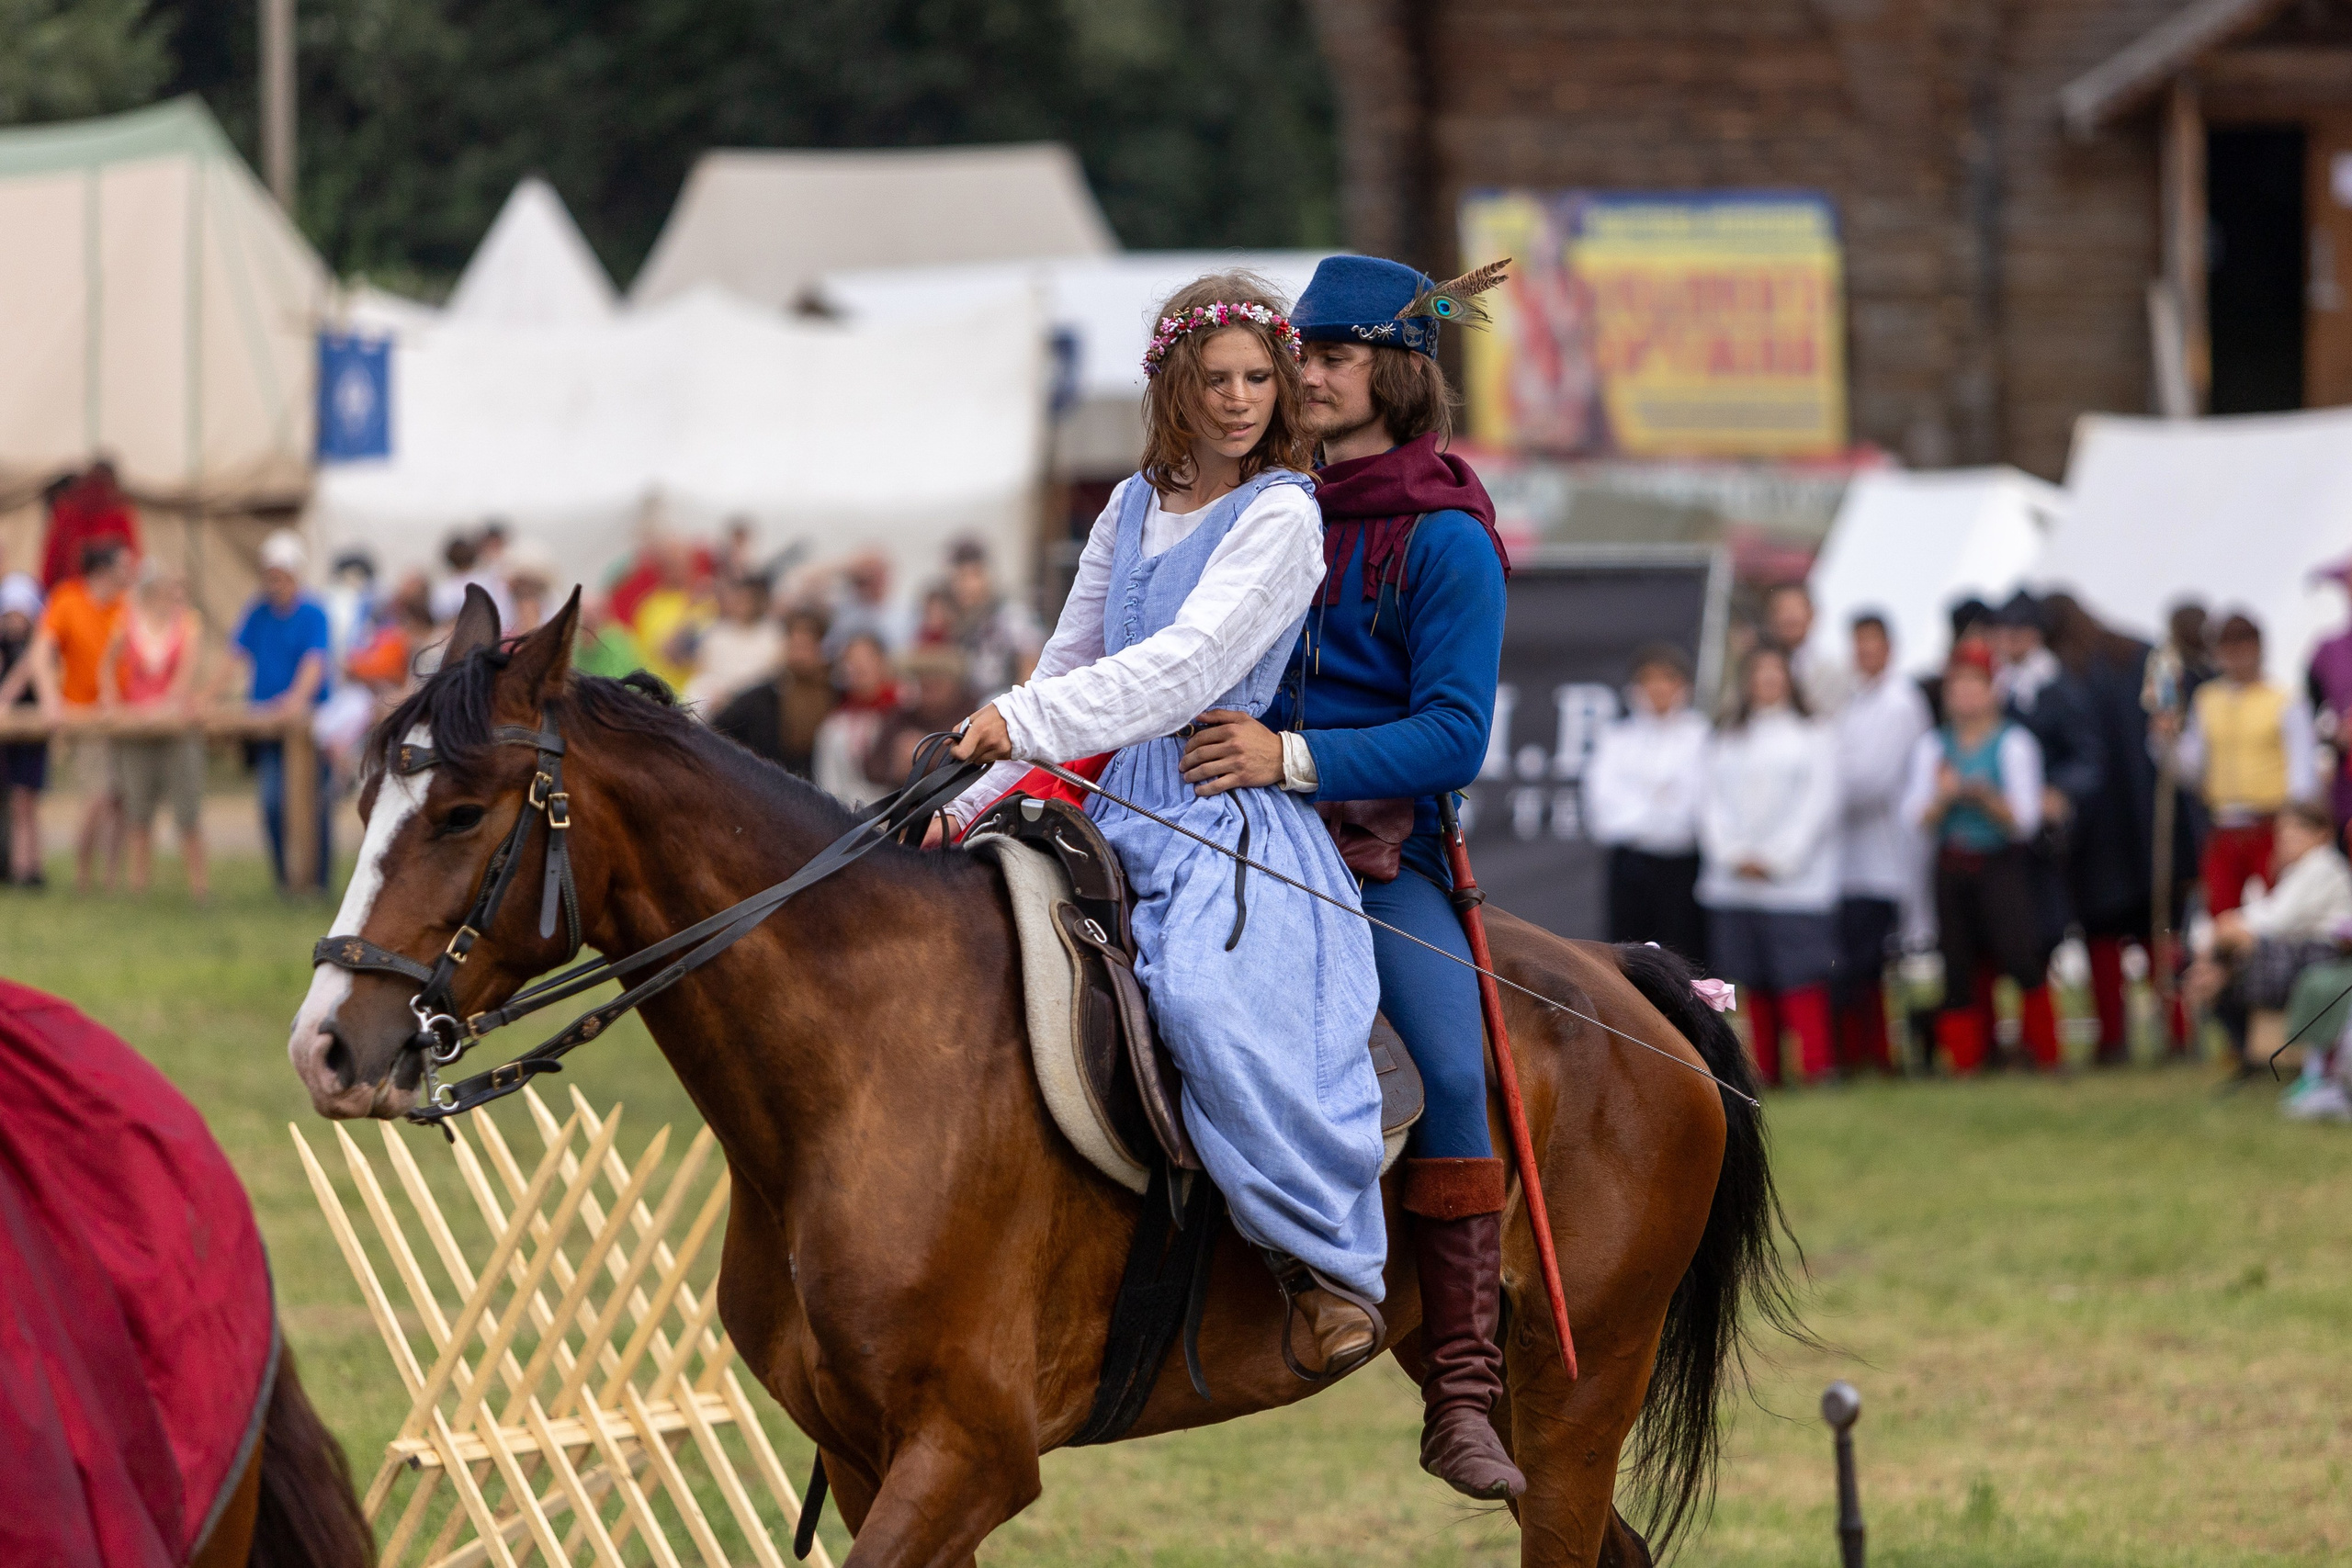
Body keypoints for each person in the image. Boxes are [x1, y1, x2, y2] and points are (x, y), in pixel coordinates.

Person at [944, 272, 1388, 1404]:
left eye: (1257, 378)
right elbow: (1071, 657)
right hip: (1103, 806)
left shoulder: (1283, 514)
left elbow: (1183, 670)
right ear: (1174, 385)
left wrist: (1025, 719)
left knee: (1197, 999)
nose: (1237, 400)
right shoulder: (1132, 503)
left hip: (1215, 807)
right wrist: (968, 801)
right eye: (1215, 379)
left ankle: (1317, 1262)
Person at [1137, 254, 1521, 1501]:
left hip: (1374, 856)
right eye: (1298, 353)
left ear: (1397, 374)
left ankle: (1461, 1385)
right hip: (1208, 822)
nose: (1302, 375)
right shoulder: (1264, 502)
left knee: (1450, 1069)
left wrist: (1288, 755)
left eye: (1333, 356)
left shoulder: (1448, 538)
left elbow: (1455, 734)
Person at [1904, 641, 2049, 1073]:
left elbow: (2025, 820)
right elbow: (1913, 815)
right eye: (1958, 687)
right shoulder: (1933, 746)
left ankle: (2042, 1051)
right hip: (1952, 863)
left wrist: (1988, 800)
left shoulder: (2014, 743)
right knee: (1958, 961)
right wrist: (1944, 798)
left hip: (2000, 863)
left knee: (2020, 956)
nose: (1965, 696)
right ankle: (1966, 1058)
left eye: (1975, 686)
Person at [1702, 644, 1841, 1087]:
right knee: (1752, 979)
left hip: (1796, 884)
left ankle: (1816, 1069)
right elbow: (1709, 803)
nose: (1767, 680)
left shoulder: (1814, 734)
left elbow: (1819, 804)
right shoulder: (1727, 736)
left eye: (1775, 671)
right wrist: (1732, 855)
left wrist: (1779, 859)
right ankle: (1766, 1073)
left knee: (1801, 975)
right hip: (1734, 883)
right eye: (1759, 671)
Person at [2045, 592, 2163, 1064]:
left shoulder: (2066, 676)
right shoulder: (2138, 651)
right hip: (2145, 817)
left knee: (2103, 935)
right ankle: (2175, 1031)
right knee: (2156, 930)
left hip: (2099, 830)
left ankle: (2114, 1037)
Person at [1993, 592, 2107, 1021]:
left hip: (2054, 833)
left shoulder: (2060, 687)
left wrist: (2059, 791)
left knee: (2048, 928)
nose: (2009, 641)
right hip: (2007, 827)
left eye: (2017, 632)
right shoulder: (1999, 688)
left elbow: (2089, 757)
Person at [2158, 612, 2316, 917]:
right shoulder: (2207, 700)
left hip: (2271, 825)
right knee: (2221, 914)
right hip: (2223, 828)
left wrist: (2293, 830)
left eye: (2243, 646)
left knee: (2278, 914)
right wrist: (2166, 741)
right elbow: (2192, 770)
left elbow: (2302, 773)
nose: (2236, 656)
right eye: (2228, 648)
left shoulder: (2284, 699)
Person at [1830, 611, 1929, 1073]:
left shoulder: (1899, 703)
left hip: (1886, 857)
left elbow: (1871, 780)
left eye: (1873, 642)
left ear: (1890, 648)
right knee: (1855, 965)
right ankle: (1861, 1053)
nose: (1865, 652)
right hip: (1850, 860)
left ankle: (1885, 1054)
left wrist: (1817, 786)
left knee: (1878, 964)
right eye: (1858, 643)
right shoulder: (1854, 703)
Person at [2186, 798, 2352, 1075]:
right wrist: (2226, 928)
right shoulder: (2300, 869)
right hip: (2297, 950)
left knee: (2234, 956)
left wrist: (2228, 927)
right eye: (2283, 831)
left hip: (2322, 953)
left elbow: (2280, 919)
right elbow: (2270, 912)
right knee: (2227, 955)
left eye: (2296, 830)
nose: (2287, 838)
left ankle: (2216, 986)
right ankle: (2217, 985)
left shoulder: (2322, 865)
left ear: (2321, 833)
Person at [1587, 641, 1711, 962]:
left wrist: (1648, 807)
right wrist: (1658, 804)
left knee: (1683, 958)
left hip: (1685, 867)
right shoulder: (1616, 738)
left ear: (1683, 685)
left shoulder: (1702, 736)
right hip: (1631, 865)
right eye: (1649, 680)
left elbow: (1698, 807)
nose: (1658, 688)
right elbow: (1602, 809)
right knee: (1628, 959)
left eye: (1667, 679)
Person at [28, 541, 134, 892]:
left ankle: (111, 877)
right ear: (103, 570)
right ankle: (83, 874)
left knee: (121, 800)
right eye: (124, 566)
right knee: (97, 797)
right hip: (83, 714)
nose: (130, 573)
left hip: (123, 715)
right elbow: (41, 652)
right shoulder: (68, 599)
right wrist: (50, 700)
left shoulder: (126, 604)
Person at [100, 563, 209, 901]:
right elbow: (107, 664)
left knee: (187, 812)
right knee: (138, 811)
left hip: (175, 728)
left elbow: (186, 673)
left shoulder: (188, 623)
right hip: (136, 729)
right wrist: (112, 703)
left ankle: (199, 889)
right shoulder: (127, 621)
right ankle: (139, 888)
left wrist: (163, 707)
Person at [232, 530, 333, 892]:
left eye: (279, 577)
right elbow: (235, 655)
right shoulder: (258, 612)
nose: (273, 584)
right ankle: (285, 880)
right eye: (269, 577)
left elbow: (315, 661)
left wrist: (295, 699)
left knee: (314, 804)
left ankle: (317, 882)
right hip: (269, 726)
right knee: (273, 803)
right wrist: (202, 696)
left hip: (309, 725)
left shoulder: (313, 613)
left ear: (294, 575)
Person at [712, 608, 837, 778]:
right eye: (794, 646)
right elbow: (718, 728)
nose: (799, 656)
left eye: (806, 647)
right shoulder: (762, 699)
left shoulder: (836, 698)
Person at [942, 537, 1044, 697]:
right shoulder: (965, 620)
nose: (966, 586)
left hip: (1005, 700)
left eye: (973, 576)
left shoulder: (1011, 614)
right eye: (959, 578)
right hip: (977, 701)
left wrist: (1017, 706)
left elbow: (1030, 667)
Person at [0, 574, 51, 886]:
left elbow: (26, 675)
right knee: (15, 802)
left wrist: (6, 698)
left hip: (31, 734)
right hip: (8, 736)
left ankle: (29, 867)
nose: (15, 621)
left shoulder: (39, 644)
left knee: (26, 800)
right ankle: (17, 865)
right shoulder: (5, 644)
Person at [809, 632, 899, 807]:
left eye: (866, 658)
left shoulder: (907, 707)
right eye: (851, 661)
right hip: (852, 816)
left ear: (883, 662)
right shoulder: (835, 726)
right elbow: (828, 783)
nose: (858, 666)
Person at [40, 460, 142, 592]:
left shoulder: (68, 509)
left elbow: (52, 559)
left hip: (92, 590)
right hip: (86, 590)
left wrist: (46, 588)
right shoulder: (118, 511)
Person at [684, 573, 783, 710]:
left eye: (747, 600)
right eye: (739, 599)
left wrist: (734, 695)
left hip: (754, 700)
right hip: (717, 698)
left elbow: (771, 674)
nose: (742, 605)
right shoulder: (716, 633)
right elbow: (702, 670)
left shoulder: (772, 634)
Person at [1764, 581, 1851, 715]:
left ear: (1812, 614)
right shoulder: (1762, 661)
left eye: (1795, 609)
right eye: (1782, 610)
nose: (1789, 617)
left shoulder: (1832, 663)